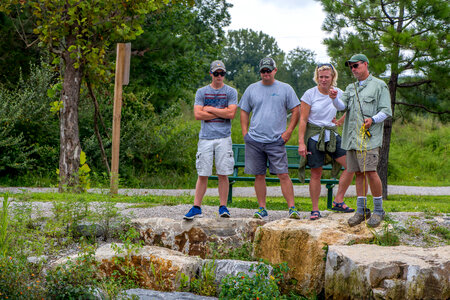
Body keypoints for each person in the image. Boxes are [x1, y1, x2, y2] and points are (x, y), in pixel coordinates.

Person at [331, 54, 392, 227]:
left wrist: (373, 119)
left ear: (365, 64)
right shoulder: (351, 87)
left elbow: (386, 110)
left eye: (356, 65)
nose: (353, 69)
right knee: (358, 173)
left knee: (371, 172)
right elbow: (342, 106)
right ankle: (361, 210)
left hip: (368, 139)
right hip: (352, 139)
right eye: (351, 67)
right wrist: (334, 97)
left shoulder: (379, 85)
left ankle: (379, 210)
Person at [239, 57, 301, 219]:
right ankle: (262, 208)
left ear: (275, 70)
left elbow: (296, 110)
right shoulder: (251, 89)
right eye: (263, 71)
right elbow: (244, 111)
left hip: (276, 140)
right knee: (259, 175)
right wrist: (245, 133)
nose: (266, 73)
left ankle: (292, 208)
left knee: (283, 174)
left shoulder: (285, 88)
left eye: (268, 70)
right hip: (255, 140)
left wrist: (288, 132)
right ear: (260, 72)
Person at [298, 63, 355, 221]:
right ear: (317, 77)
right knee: (316, 173)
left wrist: (341, 120)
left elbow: (351, 107)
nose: (323, 80)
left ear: (332, 78)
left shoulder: (339, 93)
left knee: (350, 165)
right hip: (314, 135)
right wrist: (301, 142)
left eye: (326, 77)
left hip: (332, 133)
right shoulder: (309, 94)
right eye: (321, 77)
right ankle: (315, 209)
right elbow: (303, 119)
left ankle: (338, 200)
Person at [184, 60, 238, 220]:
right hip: (206, 138)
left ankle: (223, 207)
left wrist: (211, 109)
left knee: (223, 173)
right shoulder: (202, 92)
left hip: (224, 137)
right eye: (216, 73)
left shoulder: (231, 92)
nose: (219, 76)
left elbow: (231, 114)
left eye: (222, 73)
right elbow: (197, 115)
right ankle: (196, 207)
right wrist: (222, 111)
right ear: (211, 74)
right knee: (203, 173)